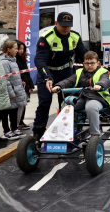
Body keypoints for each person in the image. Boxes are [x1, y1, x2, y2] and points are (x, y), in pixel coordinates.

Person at [33, 12, 87, 141]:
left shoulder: (75, 36)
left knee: (68, 104)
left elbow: (84, 55)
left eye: (68, 26)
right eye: (63, 25)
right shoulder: (46, 38)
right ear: (56, 23)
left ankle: (70, 130)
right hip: (47, 73)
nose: (66, 28)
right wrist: (47, 78)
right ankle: (38, 133)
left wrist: (93, 67)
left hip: (66, 73)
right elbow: (40, 60)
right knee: (44, 103)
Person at [52, 51, 110, 136]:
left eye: (92, 63)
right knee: (66, 104)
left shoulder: (103, 71)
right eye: (87, 63)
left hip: (97, 97)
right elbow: (69, 80)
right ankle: (65, 133)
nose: (89, 65)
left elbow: (104, 80)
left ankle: (95, 135)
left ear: (98, 63)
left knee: (91, 107)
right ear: (83, 63)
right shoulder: (79, 72)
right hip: (81, 96)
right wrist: (59, 85)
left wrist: (99, 85)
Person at [0, 40, 27, 140]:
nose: (17, 50)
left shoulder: (13, 60)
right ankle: (6, 130)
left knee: (14, 110)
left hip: (16, 90)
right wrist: (11, 93)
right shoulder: (4, 62)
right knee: (6, 111)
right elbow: (6, 79)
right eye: (15, 48)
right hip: (10, 91)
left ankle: (14, 128)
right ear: (8, 49)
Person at [15, 40, 34, 129]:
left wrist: (31, 85)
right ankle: (16, 123)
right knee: (19, 106)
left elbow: (27, 73)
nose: (21, 51)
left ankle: (21, 121)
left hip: (25, 85)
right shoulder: (14, 60)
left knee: (24, 104)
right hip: (19, 85)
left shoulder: (23, 60)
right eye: (20, 49)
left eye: (23, 49)